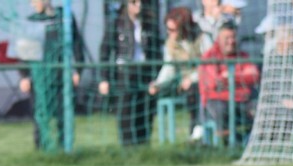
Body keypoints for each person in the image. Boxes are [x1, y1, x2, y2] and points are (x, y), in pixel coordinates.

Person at [17, 0, 86, 152]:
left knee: (63, 113)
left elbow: (77, 45)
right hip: (39, 78)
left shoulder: (65, 17)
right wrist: (24, 76)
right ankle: (41, 149)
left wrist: (77, 70)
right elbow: (24, 53)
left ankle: (64, 148)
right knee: (40, 113)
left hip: (61, 75)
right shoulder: (31, 21)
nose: (32, 4)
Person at [98, 0, 160, 146]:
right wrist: (104, 78)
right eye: (134, 2)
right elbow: (105, 52)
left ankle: (143, 146)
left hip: (144, 74)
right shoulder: (117, 24)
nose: (139, 5)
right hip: (124, 74)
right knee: (126, 113)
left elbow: (156, 53)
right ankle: (127, 148)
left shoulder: (149, 24)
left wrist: (156, 77)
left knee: (144, 113)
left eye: (141, 2)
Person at [198, 20, 260, 143]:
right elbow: (215, 83)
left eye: (233, 37)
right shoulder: (209, 57)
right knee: (220, 109)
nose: (231, 41)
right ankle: (226, 144)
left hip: (243, 99)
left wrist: (230, 76)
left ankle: (255, 140)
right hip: (218, 101)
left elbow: (254, 76)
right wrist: (242, 78)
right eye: (227, 38)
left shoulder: (243, 56)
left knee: (259, 106)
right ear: (218, 39)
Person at [148, 6, 200, 139]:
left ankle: (196, 128)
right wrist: (158, 84)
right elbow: (168, 68)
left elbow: (208, 65)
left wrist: (193, 78)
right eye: (167, 29)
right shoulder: (170, 44)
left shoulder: (201, 38)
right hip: (182, 83)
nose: (169, 33)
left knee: (194, 90)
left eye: (172, 30)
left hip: (202, 81)